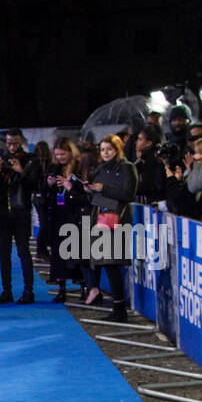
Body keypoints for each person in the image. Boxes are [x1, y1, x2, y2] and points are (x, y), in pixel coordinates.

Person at [84, 134, 137, 321]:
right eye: (103, 149)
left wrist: (102, 188)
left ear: (117, 150)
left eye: (109, 149)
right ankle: (118, 307)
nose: (105, 153)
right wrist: (90, 191)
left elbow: (129, 193)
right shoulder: (99, 169)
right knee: (107, 264)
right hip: (100, 218)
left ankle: (119, 308)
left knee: (112, 264)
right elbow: (94, 198)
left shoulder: (127, 168)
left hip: (117, 219)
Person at [0, 128, 40, 304]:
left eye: (15, 143)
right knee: (4, 253)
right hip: (1, 212)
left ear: (21, 142)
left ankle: (28, 291)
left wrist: (21, 172)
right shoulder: (0, 160)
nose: (11, 146)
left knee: (23, 251)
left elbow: (35, 185)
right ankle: (6, 290)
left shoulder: (31, 160)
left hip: (21, 212)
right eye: (9, 143)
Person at [40, 138, 89, 302]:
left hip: (75, 215)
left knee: (77, 254)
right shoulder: (54, 168)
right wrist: (49, 184)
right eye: (57, 154)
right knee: (58, 255)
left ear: (70, 152)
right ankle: (61, 288)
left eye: (63, 154)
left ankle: (84, 287)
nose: (60, 157)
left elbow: (85, 195)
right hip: (57, 215)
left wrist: (70, 188)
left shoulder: (80, 168)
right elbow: (44, 195)